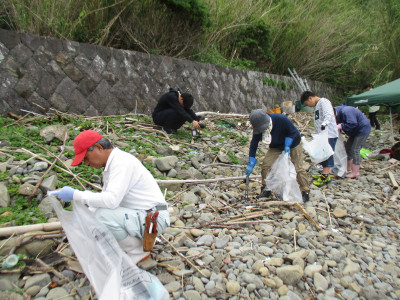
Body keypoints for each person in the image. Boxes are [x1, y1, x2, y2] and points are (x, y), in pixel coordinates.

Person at [52, 130, 170, 264]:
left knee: (102, 216)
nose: (86, 163)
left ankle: (138, 250)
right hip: (144, 216)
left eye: (86, 158)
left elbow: (111, 201)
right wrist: (81, 217)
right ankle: (137, 241)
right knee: (95, 214)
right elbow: (104, 199)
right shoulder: (113, 164)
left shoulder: (122, 163)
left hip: (153, 219)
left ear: (98, 148)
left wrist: (76, 195)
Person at [245, 109, 310, 202]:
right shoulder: (259, 129)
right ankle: (266, 189)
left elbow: (293, 132)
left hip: (293, 144)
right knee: (266, 165)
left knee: (298, 168)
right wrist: (251, 163)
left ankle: (305, 191)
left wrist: (288, 144)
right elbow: (254, 144)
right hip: (276, 146)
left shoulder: (281, 119)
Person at [301, 91, 338, 186]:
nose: (309, 106)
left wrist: (324, 124)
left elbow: (328, 114)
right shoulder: (318, 105)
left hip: (329, 133)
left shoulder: (324, 101)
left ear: (310, 98)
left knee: (328, 153)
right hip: (323, 134)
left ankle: (325, 176)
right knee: (323, 153)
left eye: (307, 104)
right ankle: (324, 173)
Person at [334, 105, 371, 178]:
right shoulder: (339, 113)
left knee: (355, 149)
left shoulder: (346, 111)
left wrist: (341, 126)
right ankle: (348, 167)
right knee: (348, 148)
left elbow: (353, 123)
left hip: (362, 129)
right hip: (354, 131)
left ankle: (356, 172)